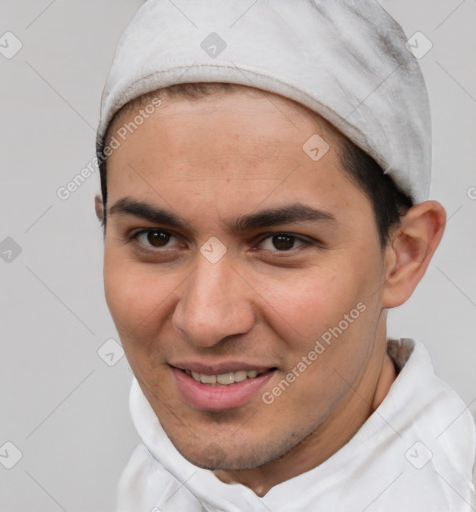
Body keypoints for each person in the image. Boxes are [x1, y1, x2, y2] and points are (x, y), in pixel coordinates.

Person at [94, 1, 476, 510]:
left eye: (281, 242)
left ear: (403, 255)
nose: (205, 321)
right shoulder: (151, 475)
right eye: (157, 238)